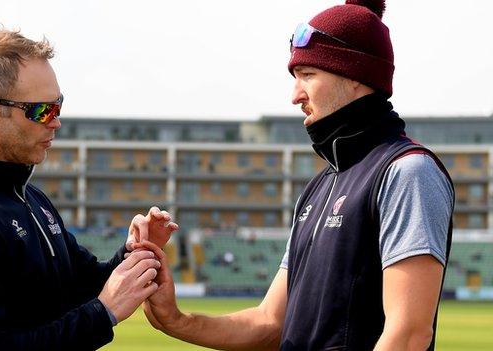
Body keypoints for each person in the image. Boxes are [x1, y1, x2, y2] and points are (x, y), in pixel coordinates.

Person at [141, 0, 454, 350]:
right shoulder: (319, 187)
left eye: (308, 75)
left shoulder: (408, 172)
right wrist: (176, 320)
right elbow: (270, 323)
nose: (295, 95)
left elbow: (408, 335)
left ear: (356, 78)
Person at [0, 26, 178, 351]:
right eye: (41, 110)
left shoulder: (29, 197)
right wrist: (102, 315)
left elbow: (83, 285)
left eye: (58, 105)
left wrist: (134, 252)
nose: (56, 121)